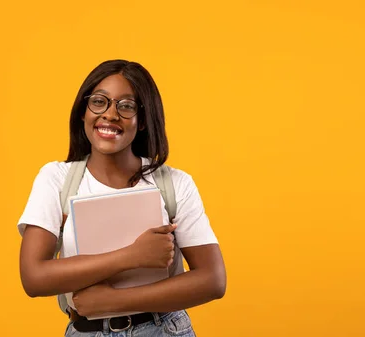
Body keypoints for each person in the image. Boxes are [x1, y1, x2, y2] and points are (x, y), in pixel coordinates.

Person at [17, 59, 226, 337]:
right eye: (99, 102)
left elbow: (213, 280)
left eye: (126, 106)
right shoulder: (56, 180)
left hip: (163, 329)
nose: (110, 114)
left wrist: (113, 302)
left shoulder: (174, 184)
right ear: (83, 112)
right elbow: (34, 278)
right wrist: (132, 256)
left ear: (142, 121)